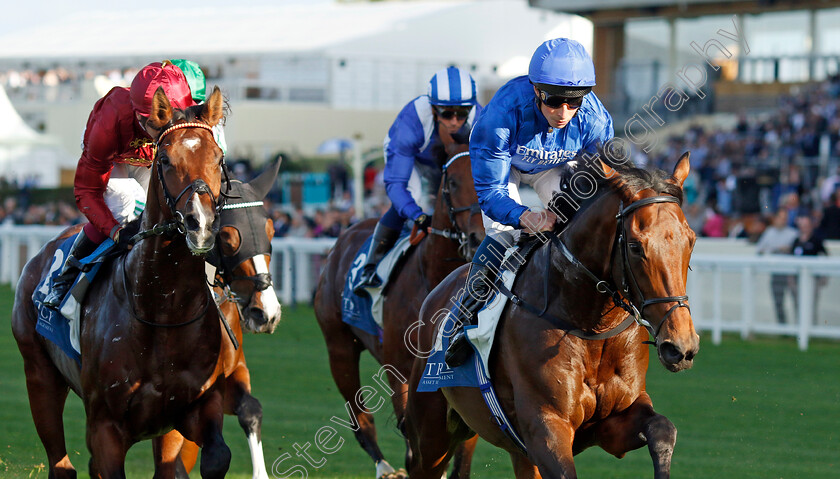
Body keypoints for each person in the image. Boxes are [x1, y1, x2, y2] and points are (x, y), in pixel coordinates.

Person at [445, 38, 614, 366]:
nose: (563, 112)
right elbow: (491, 195)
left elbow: (603, 183)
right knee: (504, 236)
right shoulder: (499, 117)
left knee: (584, 222)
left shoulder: (594, 119)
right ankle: (463, 318)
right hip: (505, 168)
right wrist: (525, 216)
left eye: (574, 102)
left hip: (553, 169)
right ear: (536, 90)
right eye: (553, 101)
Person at [43, 62, 196, 309]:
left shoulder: (182, 116)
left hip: (149, 161)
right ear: (137, 114)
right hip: (115, 157)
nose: (162, 133)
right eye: (155, 123)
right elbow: (86, 191)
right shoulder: (109, 123)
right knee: (126, 200)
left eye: (170, 119)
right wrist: (115, 231)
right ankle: (67, 276)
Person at [354, 67, 482, 293]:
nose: (454, 121)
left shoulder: (479, 120)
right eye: (446, 113)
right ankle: (371, 265)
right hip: (414, 159)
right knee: (414, 198)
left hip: (451, 161)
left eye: (461, 113)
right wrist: (417, 215)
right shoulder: (412, 122)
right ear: (433, 110)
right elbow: (396, 184)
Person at [755, 209, 799, 325]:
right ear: (775, 219)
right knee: (778, 302)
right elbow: (759, 250)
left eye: (785, 218)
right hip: (776, 273)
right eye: (781, 218)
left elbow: (796, 251)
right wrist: (776, 249)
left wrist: (787, 249)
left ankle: (799, 326)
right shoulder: (769, 232)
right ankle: (782, 327)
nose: (783, 221)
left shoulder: (793, 233)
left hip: (791, 273)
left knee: (797, 301)